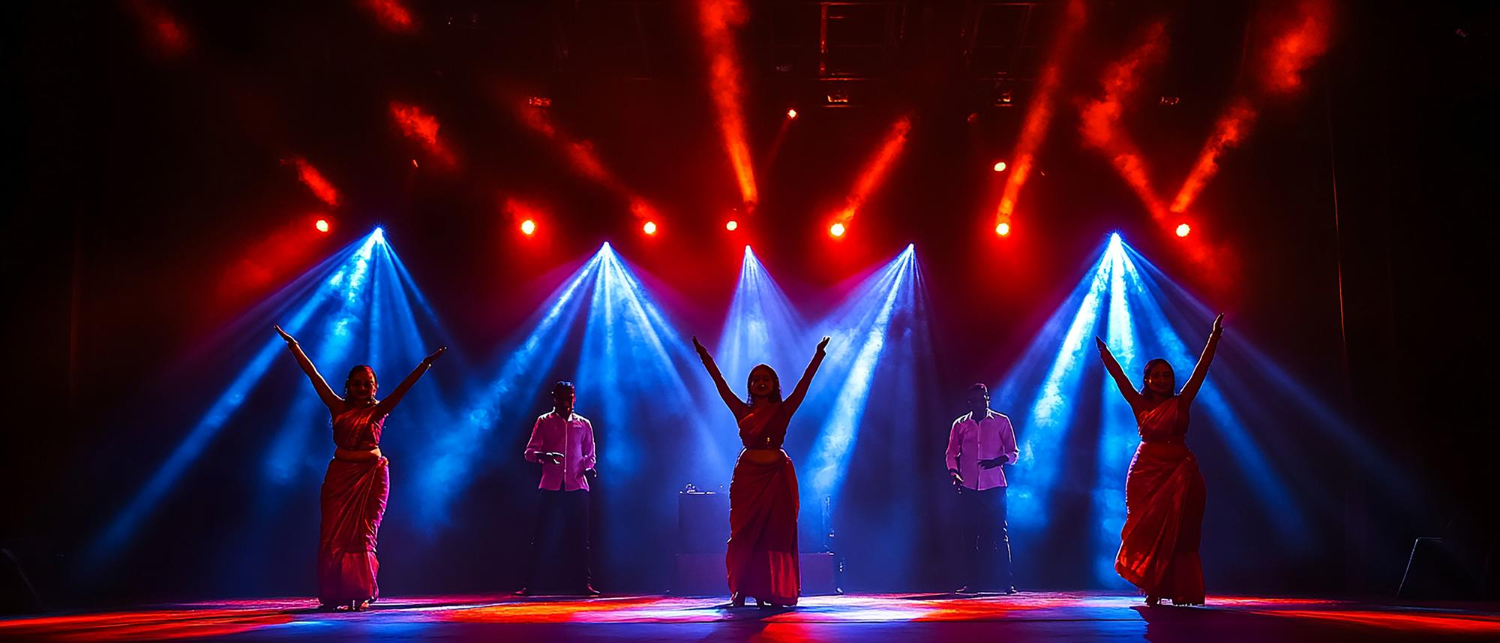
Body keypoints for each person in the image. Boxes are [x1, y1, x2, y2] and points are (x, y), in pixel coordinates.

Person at [274, 324, 445, 611]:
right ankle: (335, 594)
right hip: (339, 478)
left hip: (372, 476)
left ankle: (360, 592)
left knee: (364, 534)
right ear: (348, 386)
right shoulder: (337, 407)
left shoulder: (379, 410)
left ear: (375, 387)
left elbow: (404, 388)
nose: (362, 388)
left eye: (367, 383)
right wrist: (295, 348)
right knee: (333, 534)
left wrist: (424, 364)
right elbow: (313, 376)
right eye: (357, 383)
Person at [1095, 313, 1224, 606]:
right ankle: (1152, 588)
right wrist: (1105, 354)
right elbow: (1119, 378)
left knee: (1182, 530)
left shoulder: (1182, 400)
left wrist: (1213, 337)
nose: (1162, 380)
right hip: (1146, 472)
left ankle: (1181, 589)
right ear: (1147, 379)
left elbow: (1202, 369)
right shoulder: (1138, 402)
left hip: (1181, 469)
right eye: (1156, 375)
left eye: (1167, 375)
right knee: (1147, 528)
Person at [693, 335, 829, 608]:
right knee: (743, 535)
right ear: (750, 386)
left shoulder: (784, 409)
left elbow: (804, 386)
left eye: (766, 378)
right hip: (748, 481)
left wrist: (817, 356)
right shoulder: (741, 410)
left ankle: (771, 591)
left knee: (774, 535)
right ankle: (741, 590)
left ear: (775, 384)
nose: (760, 382)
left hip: (777, 479)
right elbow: (719, 384)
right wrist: (705, 357)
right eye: (755, 379)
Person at [518, 381, 599, 597]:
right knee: (541, 536)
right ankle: (531, 585)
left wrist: (587, 468)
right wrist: (545, 456)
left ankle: (583, 585)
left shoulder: (584, 424)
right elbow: (529, 452)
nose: (567, 401)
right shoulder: (544, 421)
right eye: (563, 397)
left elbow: (591, 455)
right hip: (551, 485)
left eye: (570, 397)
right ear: (554, 398)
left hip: (577, 486)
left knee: (581, 539)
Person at [944, 382, 1019, 594]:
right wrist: (954, 473)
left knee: (998, 534)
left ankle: (1006, 583)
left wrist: (999, 461)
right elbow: (951, 453)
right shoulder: (960, 424)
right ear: (970, 402)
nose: (979, 404)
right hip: (968, 486)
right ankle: (972, 583)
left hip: (994, 486)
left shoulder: (1001, 422)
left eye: (982, 399)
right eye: (975, 401)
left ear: (988, 399)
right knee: (969, 535)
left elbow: (1014, 452)